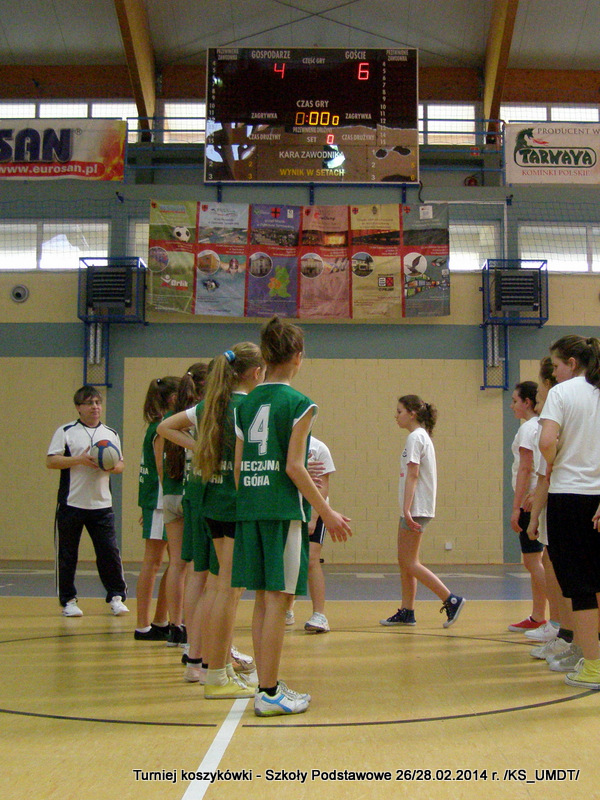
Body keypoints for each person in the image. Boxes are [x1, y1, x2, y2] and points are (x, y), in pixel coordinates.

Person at [232, 315, 351, 717]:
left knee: (262, 600)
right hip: (282, 512)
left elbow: (238, 468)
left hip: (249, 509)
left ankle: (265, 686)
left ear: (265, 356)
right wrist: (327, 512)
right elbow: (295, 466)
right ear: (298, 356)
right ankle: (269, 691)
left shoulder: (245, 404)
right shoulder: (299, 404)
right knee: (279, 602)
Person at [539, 334, 600, 690]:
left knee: (580, 586)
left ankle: (592, 665)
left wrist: (555, 461)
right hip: (597, 497)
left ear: (572, 364)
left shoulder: (562, 393)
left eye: (557, 365)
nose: (555, 373)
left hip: (570, 496)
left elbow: (547, 441)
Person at [380, 394, 465, 629]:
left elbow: (413, 474)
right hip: (415, 507)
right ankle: (407, 611)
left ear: (412, 413)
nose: (396, 416)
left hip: (416, 508)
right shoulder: (419, 437)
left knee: (409, 562)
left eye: (399, 411)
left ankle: (451, 599)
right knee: (405, 561)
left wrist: (407, 509)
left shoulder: (415, 437)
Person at [46, 385, 128, 617]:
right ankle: (69, 601)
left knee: (109, 553)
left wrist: (109, 466)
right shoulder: (66, 431)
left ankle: (116, 596)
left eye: (97, 403)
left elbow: (121, 465)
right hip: (71, 503)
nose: (95, 407)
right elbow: (51, 461)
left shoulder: (110, 433)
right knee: (67, 554)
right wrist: (79, 460)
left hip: (102, 505)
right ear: (78, 407)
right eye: (89, 403)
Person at [526, 357, 575, 664]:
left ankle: (569, 635)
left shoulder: (559, 409)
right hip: (560, 495)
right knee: (555, 565)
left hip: (570, 496)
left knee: (570, 574)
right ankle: (564, 632)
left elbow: (547, 464)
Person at [161, 363, 208, 646]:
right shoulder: (202, 415)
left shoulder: (170, 418)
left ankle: (174, 627)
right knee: (195, 568)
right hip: (191, 492)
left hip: (169, 494)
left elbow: (159, 464)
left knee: (176, 564)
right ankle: (193, 633)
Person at [134, 376, 180, 640]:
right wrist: (161, 502)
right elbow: (160, 469)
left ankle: (161, 620)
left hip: (161, 501)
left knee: (175, 563)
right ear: (173, 398)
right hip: (162, 501)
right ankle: (142, 625)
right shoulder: (162, 428)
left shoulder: (161, 425)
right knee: (153, 562)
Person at [285, 435, 336, 633]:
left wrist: (314, 516)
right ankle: (287, 608)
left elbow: (323, 487)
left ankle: (319, 615)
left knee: (311, 560)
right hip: (288, 509)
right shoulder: (282, 443)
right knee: (289, 560)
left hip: (313, 508)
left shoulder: (319, 448)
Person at [507, 380, 548, 632]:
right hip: (538, 498)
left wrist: (516, 508)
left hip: (529, 504)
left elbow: (525, 468)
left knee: (533, 562)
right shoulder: (543, 426)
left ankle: (557, 615)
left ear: (527, 402)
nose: (512, 405)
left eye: (515, 401)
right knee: (536, 560)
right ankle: (539, 616)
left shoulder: (527, 429)